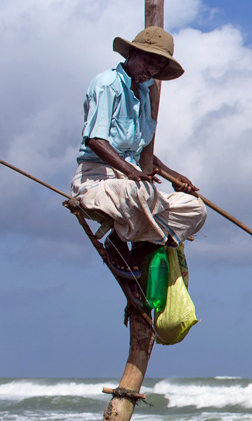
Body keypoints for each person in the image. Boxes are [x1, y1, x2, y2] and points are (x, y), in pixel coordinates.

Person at [70, 27, 206, 271]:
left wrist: (173, 176)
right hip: (99, 181)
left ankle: (141, 249)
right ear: (131, 53)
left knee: (195, 208)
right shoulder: (107, 84)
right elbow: (95, 140)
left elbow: (140, 152)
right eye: (147, 61)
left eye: (157, 67)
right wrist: (131, 173)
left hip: (135, 185)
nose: (150, 70)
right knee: (142, 192)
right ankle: (120, 242)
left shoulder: (145, 93)